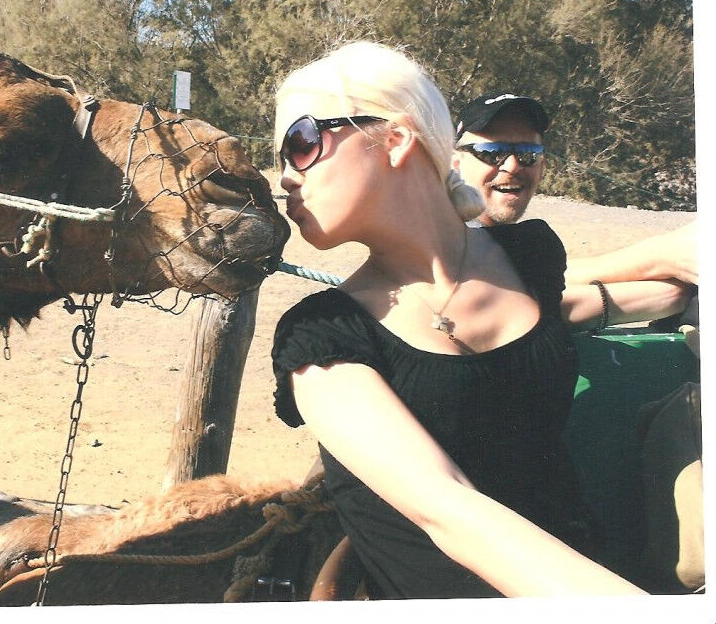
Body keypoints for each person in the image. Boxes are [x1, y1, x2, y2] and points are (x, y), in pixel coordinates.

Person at [271, 41, 644, 597]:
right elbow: (448, 509)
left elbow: (577, 308)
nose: (285, 178)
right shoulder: (319, 337)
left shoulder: (530, 257)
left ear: (395, 139)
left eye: (301, 144)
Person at [451, 93, 694, 331]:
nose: (512, 165)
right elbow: (513, 306)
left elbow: (546, 275)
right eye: (491, 152)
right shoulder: (443, 235)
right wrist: (666, 269)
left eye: (528, 154)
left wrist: (667, 262)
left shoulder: (521, 243)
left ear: (542, 166)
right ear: (455, 164)